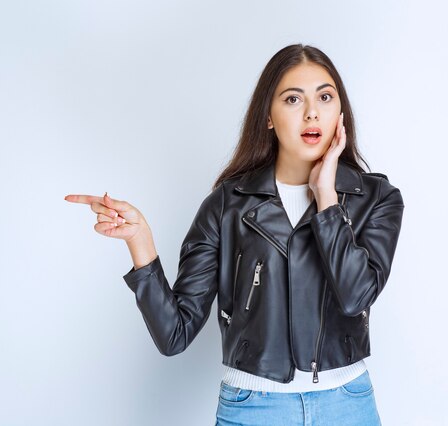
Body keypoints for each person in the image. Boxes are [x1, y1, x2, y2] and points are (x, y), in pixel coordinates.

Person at [65, 43, 404, 426]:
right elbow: (174, 335)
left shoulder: (375, 199)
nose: (312, 112)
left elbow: (356, 293)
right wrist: (140, 243)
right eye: (293, 99)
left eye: (325, 97)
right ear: (269, 117)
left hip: (347, 405)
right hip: (254, 408)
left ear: (340, 111)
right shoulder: (226, 206)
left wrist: (327, 198)